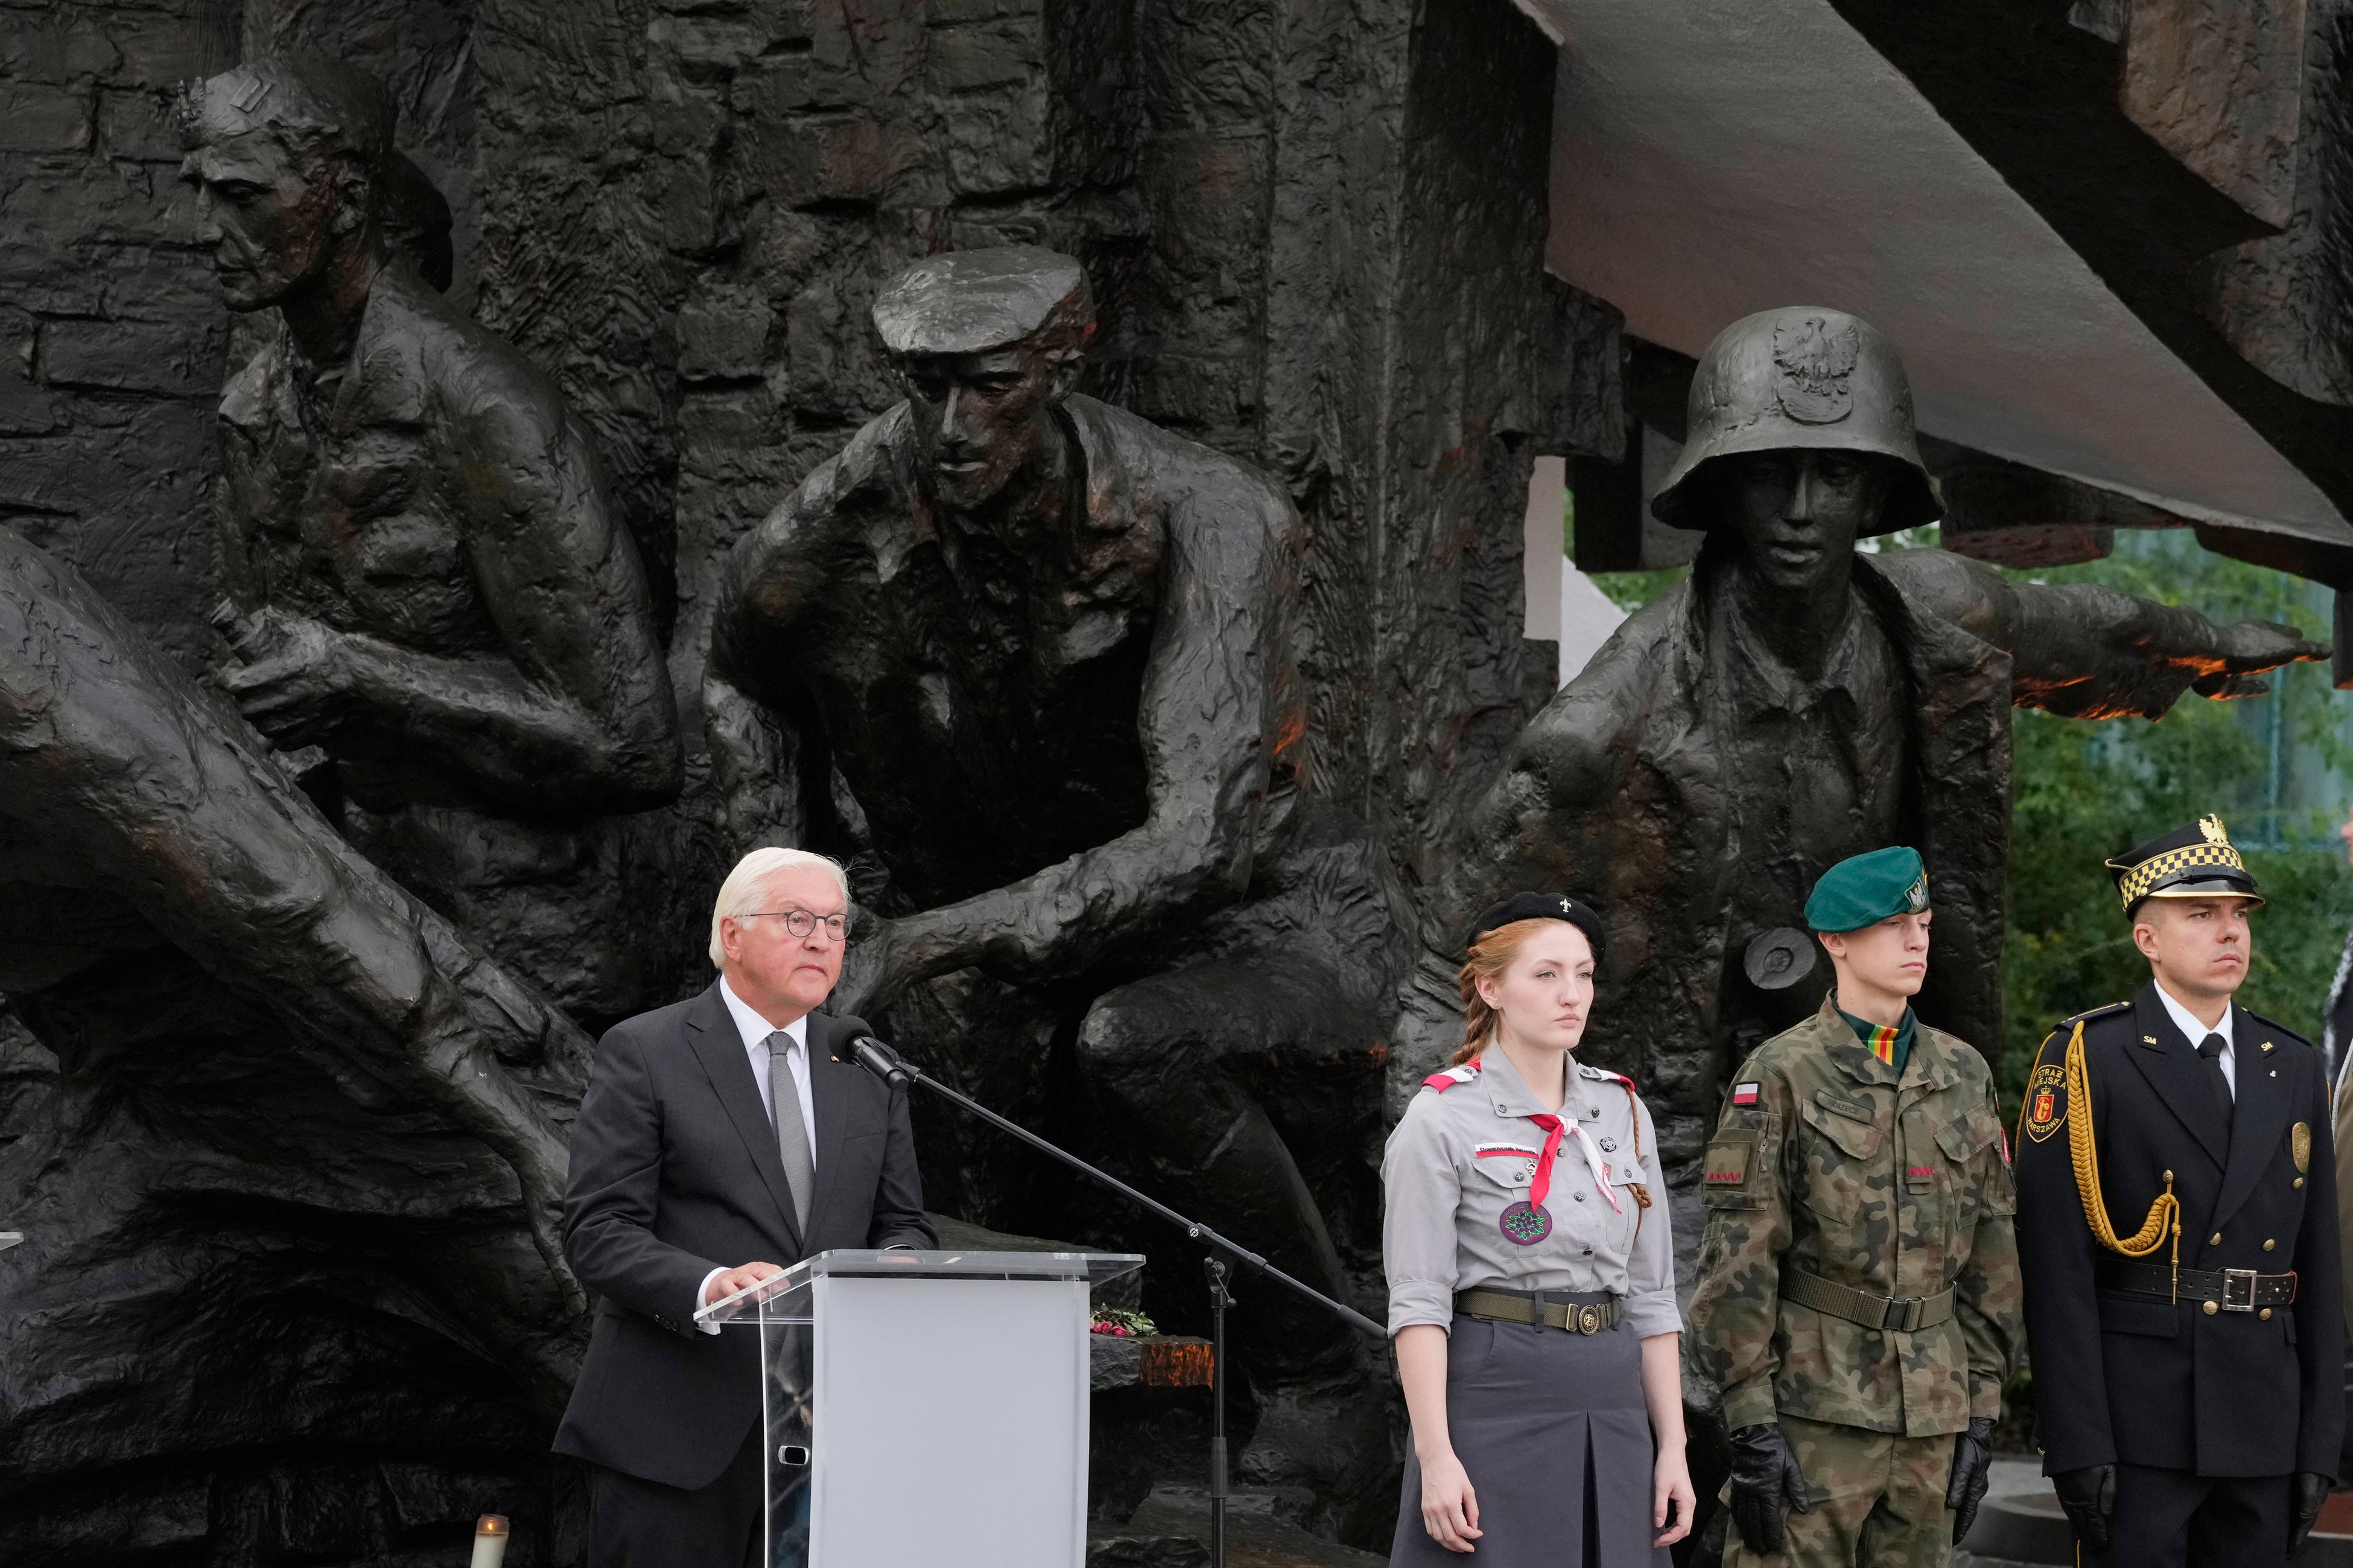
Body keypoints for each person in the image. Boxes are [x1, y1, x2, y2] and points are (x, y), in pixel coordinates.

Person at [1424, 307, 2326, 1241]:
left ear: (1876, 493)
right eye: (1771, 473)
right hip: (1681, 1145)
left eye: (1838, 474)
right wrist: (1447, 1215)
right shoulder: (1600, 732)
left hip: (1901, 1118)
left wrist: (2219, 647)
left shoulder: (1937, 623)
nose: (1803, 510)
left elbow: (2092, 632)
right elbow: (1441, 973)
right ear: (1724, 489)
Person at [705, 245, 1399, 1377]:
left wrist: (919, 941)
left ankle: (1324, 1366)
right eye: (925, 387)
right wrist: (794, 900)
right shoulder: (846, 512)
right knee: (920, 1150)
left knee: (1130, 1039)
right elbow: (738, 673)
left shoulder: (1214, 515)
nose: (951, 426)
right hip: (996, 936)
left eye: (991, 385)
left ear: (1062, 367)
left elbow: (1199, 842)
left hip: (1254, 924)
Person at [177, 57, 683, 1021]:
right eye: (197, 192)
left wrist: (359, 674)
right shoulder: (253, 405)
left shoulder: (485, 407)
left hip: (526, 938)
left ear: (344, 197)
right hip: (346, 915)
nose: (203, 231)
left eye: (240, 196)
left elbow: (634, 745)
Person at [554, 847, 935, 1567]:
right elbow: (598, 1230)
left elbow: (901, 1222)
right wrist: (709, 1283)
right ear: (733, 934)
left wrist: (898, 1266)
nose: (823, 939)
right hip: (674, 1435)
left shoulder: (864, 1063)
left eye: (835, 924)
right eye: (798, 919)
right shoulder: (647, 1050)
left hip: (829, 1436)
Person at [2014, 816, 2343, 1567]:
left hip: (2263, 1419)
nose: (2230, 931)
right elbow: (2057, 1272)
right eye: (2202, 914)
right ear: (2148, 940)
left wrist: (2320, 1440)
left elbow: (2319, 1267)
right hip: (2141, 1423)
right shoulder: (2090, 1058)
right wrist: (2076, 1440)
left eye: (2238, 914)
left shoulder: (2289, 1064)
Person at [1689, 846, 2021, 1568]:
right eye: (1894, 924)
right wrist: (1750, 1423)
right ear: (1835, 941)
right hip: (1816, 1414)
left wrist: (1983, 1409)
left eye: (1925, 923)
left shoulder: (1962, 1072)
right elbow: (1739, 1258)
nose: (1916, 941)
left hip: (1933, 1414)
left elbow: (1993, 1251)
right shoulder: (1781, 1073)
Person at [1382, 892, 1694, 1564]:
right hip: (1497, 1393)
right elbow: (1419, 1305)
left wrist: (1673, 1446)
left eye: (1583, 974)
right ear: (1491, 987)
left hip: (1613, 1397)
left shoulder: (1622, 1110)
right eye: (1546, 974)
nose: (1571, 994)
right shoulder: (1440, 1119)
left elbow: (1652, 1295)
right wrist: (1436, 1456)